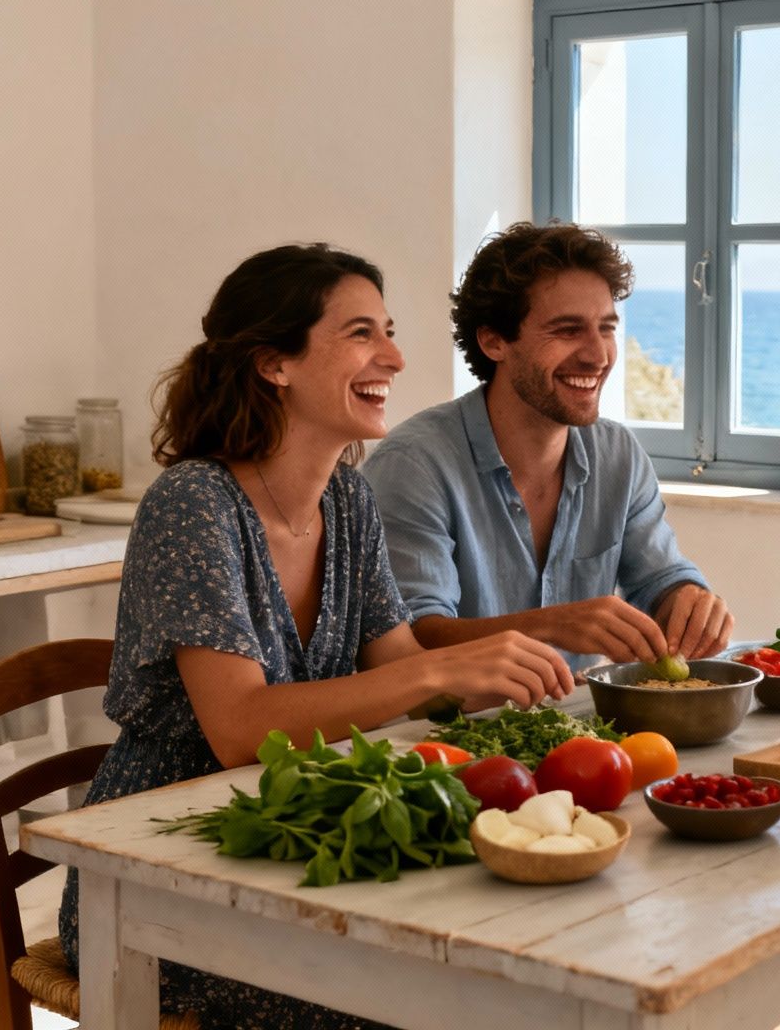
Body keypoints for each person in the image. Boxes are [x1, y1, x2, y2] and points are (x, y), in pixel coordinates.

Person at [58, 244, 574, 1029]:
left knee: (516, 967)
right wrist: (442, 672)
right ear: (275, 364)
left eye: (389, 331)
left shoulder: (346, 500)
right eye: (362, 333)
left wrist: (490, 692)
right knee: (421, 1003)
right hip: (159, 876)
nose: (394, 357)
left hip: (296, 844)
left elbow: (397, 670)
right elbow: (239, 732)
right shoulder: (193, 505)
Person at [362, 221, 733, 672]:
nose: (598, 356)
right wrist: (551, 624)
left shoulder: (618, 454)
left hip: (573, 730)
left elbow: (660, 577)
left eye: (607, 328)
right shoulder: (414, 466)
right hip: (441, 733)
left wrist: (687, 600)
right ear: (493, 340)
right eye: (568, 330)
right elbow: (414, 637)